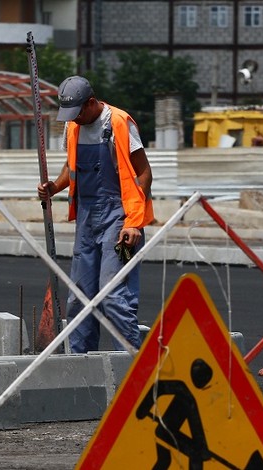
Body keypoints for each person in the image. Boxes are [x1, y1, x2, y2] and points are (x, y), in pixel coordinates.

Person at [37, 75, 153, 352]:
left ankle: (128, 366)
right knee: (80, 296)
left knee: (114, 294)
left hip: (119, 220)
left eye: (77, 113)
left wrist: (134, 223)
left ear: (91, 103)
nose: (74, 120)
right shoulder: (73, 127)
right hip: (87, 220)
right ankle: (80, 365)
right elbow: (71, 167)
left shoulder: (119, 123)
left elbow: (144, 173)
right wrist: (54, 187)